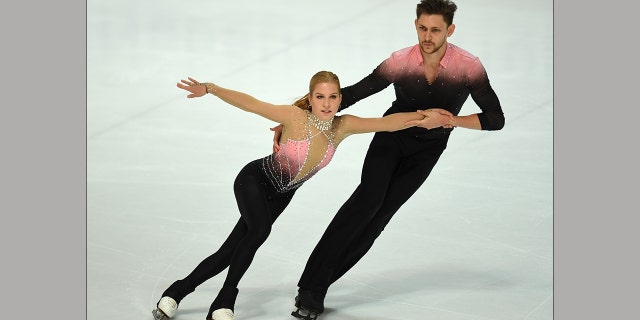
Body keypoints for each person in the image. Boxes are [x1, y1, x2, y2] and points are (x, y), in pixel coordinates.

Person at [151, 71, 453, 320]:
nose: (327, 103)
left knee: (231, 250)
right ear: (311, 98)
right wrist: (210, 88)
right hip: (254, 181)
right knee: (258, 231)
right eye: (320, 96)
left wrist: (428, 116)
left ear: (340, 99)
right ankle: (225, 299)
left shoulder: (342, 127)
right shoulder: (295, 117)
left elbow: (389, 123)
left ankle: (177, 291)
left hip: (282, 195)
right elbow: (251, 103)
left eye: (333, 96)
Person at [275, 1, 505, 319]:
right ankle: (312, 292)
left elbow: (495, 118)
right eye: (423, 28)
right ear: (416, 25)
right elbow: (354, 92)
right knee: (365, 204)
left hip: (427, 152)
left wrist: (450, 120)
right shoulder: (400, 60)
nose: (428, 36)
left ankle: (317, 285)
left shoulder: (468, 66)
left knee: (378, 220)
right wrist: (299, 116)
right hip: (391, 138)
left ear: (450, 30)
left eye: (436, 30)